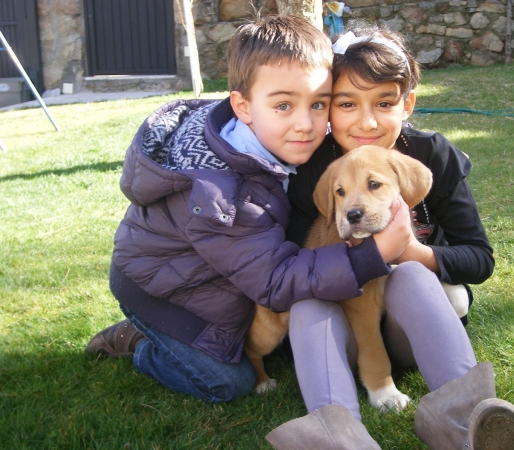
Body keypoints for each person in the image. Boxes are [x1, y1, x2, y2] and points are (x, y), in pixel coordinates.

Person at [85, 15, 411, 406]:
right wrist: (371, 257)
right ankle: (140, 341)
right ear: (242, 106)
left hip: (226, 277)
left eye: (318, 104)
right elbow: (274, 282)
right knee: (226, 381)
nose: (306, 124)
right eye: (284, 105)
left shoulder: (275, 139)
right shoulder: (221, 192)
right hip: (163, 292)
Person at [266, 27, 514, 449]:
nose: (367, 121)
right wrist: (366, 257)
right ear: (328, 109)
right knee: (307, 305)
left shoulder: (432, 155)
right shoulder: (315, 171)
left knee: (412, 274)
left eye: (385, 103)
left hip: (411, 329)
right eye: (346, 104)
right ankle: (336, 436)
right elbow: (289, 268)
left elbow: (479, 259)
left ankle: (467, 421)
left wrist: (410, 252)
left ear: (407, 103)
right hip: (340, 340)